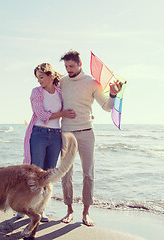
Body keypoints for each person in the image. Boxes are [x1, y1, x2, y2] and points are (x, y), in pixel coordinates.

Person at [59, 50, 123, 226]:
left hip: (87, 132)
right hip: (66, 133)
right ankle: (69, 209)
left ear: (80, 65)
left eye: (71, 66)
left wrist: (112, 94)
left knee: (88, 173)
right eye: (66, 66)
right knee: (66, 173)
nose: (68, 69)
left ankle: (86, 212)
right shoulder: (62, 82)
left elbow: (107, 107)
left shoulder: (92, 83)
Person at [21, 63, 75, 222]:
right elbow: (41, 114)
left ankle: (40, 209)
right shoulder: (36, 92)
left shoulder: (60, 91)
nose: (39, 81)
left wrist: (84, 115)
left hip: (56, 135)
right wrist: (62, 113)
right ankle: (24, 206)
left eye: (42, 77)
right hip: (39, 133)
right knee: (34, 173)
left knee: (48, 174)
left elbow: (70, 107)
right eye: (37, 78)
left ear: (50, 76)